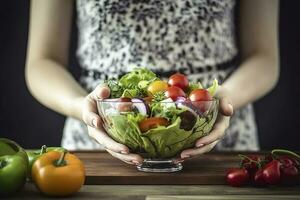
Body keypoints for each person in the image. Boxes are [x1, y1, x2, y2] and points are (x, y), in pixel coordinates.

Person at [26, 0, 279, 165]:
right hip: (100, 137)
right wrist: (81, 107)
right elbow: (42, 62)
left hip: (216, 134)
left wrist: (224, 99)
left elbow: (264, 56)